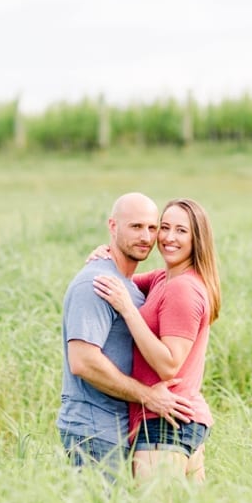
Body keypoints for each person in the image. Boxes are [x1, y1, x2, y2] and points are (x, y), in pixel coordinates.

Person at [56, 192, 195, 478]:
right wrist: (148, 397)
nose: (146, 236)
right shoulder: (96, 283)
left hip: (120, 430)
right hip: (93, 430)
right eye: (135, 227)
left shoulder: (129, 287)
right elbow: (83, 362)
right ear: (113, 226)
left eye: (152, 227)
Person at [91, 198, 221, 484]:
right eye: (164, 227)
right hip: (175, 421)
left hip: (166, 424)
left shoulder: (183, 289)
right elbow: (122, 279)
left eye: (181, 231)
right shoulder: (164, 278)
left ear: (197, 238)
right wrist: (105, 254)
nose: (168, 238)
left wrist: (127, 309)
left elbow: (168, 365)